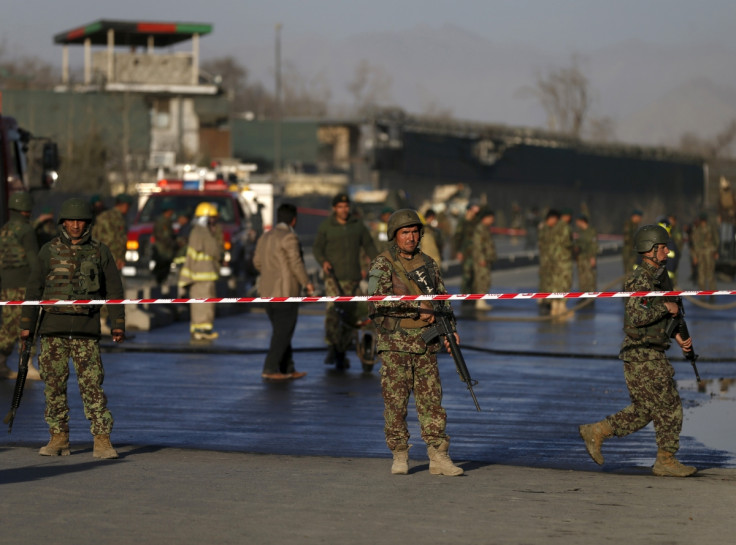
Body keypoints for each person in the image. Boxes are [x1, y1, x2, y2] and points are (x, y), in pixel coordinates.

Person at [578, 224, 697, 477]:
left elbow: (665, 313)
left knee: (644, 410)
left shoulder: (659, 277)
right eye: (662, 248)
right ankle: (666, 460)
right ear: (650, 250)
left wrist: (678, 335)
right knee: (669, 406)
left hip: (647, 351)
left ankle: (597, 431)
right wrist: (666, 308)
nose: (667, 252)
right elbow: (636, 316)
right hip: (643, 354)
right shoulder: (640, 279)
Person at [20, 197, 125, 459]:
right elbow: (33, 290)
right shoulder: (48, 251)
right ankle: (58, 437)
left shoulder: (100, 251)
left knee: (92, 386)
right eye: (71, 220)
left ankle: (101, 439)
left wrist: (117, 324)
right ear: (63, 222)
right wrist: (26, 327)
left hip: (85, 331)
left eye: (80, 221)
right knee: (53, 386)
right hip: (52, 330)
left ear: (87, 223)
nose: (76, 225)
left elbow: (114, 289)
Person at [368, 209, 464, 476]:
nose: (411, 237)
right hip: (395, 344)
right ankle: (399, 454)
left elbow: (442, 298)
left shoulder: (429, 263)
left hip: (425, 345)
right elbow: (376, 300)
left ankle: (438, 455)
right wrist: (414, 307)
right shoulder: (383, 264)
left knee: (432, 401)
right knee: (395, 402)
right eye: (405, 233)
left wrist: (450, 330)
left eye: (414, 232)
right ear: (394, 236)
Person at [313, 193, 378, 369]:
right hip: (333, 279)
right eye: (340, 207)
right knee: (334, 313)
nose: (344, 210)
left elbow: (369, 246)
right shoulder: (327, 227)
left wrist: (380, 263)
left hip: (353, 278)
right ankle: (333, 346)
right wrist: (323, 262)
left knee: (352, 315)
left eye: (346, 206)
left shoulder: (357, 226)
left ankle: (343, 347)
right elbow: (317, 249)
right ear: (334, 208)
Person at [253, 203, 314, 381]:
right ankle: (270, 368)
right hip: (286, 292)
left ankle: (288, 367)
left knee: (282, 330)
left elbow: (257, 262)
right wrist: (307, 283)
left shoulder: (264, 237)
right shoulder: (289, 237)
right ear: (294, 220)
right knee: (283, 332)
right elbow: (296, 264)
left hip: (266, 292)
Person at [0, 192, 41, 380]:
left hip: (6, 286)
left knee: (8, 328)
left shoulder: (5, 229)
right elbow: (34, 260)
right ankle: (27, 364)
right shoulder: (26, 230)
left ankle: (1, 362)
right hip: (24, 285)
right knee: (28, 325)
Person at [178, 202, 224, 341]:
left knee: (203, 304)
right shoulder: (202, 232)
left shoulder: (198, 231)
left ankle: (200, 330)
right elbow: (214, 251)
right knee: (203, 304)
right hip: (202, 276)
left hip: (202, 275)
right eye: (212, 218)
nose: (214, 222)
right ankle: (200, 330)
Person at [92, 193, 132, 271]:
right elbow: (121, 240)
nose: (128, 209)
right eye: (128, 206)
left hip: (99, 257)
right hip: (113, 259)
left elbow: (94, 235)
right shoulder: (118, 218)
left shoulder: (102, 216)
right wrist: (121, 258)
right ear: (124, 205)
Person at [452, 202, 480, 297]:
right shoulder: (463, 221)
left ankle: (473, 296)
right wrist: (459, 251)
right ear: (468, 210)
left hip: (476, 252)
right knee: (467, 275)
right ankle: (465, 296)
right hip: (466, 252)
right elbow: (457, 237)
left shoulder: (476, 221)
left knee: (475, 275)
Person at [472, 208, 497, 311]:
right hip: (481, 260)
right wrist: (481, 258)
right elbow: (478, 245)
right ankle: (480, 301)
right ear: (485, 218)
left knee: (485, 279)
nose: (492, 220)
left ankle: (482, 300)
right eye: (491, 218)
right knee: (481, 279)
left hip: (486, 259)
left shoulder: (486, 228)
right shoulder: (480, 229)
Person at [690, 212, 719, 292]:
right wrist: (694, 256)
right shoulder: (697, 229)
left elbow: (716, 240)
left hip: (709, 253)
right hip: (700, 254)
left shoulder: (711, 228)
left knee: (710, 274)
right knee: (701, 274)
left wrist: (716, 251)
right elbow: (694, 243)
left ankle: (712, 294)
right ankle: (702, 295)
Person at [151, 199, 177, 285]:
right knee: (161, 274)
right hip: (163, 252)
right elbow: (166, 237)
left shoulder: (165, 221)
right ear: (168, 211)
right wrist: (175, 243)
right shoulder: (163, 222)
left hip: (164, 252)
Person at [574, 214, 598, 293]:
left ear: (582, 221)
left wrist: (593, 257)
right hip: (581, 257)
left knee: (590, 277)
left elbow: (594, 245)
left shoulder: (591, 231)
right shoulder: (580, 232)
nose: (577, 223)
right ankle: (583, 294)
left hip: (589, 257)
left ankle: (591, 296)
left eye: (578, 222)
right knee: (582, 277)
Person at [622, 209, 643, 275]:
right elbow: (627, 239)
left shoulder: (635, 226)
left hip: (633, 252)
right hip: (629, 252)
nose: (640, 219)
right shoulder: (629, 225)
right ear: (635, 217)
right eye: (639, 217)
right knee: (629, 273)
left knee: (633, 272)